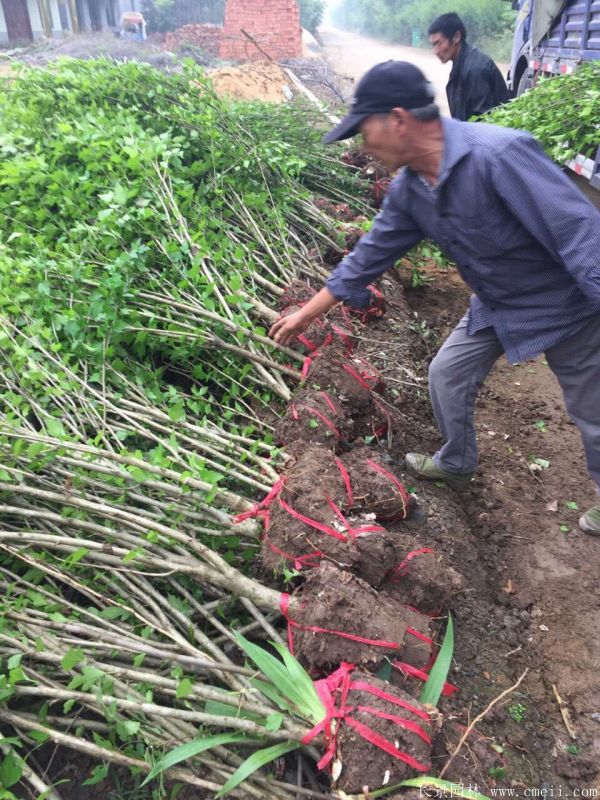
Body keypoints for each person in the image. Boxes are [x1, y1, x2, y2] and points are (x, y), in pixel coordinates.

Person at [269, 60, 600, 535]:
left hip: (563, 303)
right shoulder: (410, 190)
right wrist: (306, 314)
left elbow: (579, 234)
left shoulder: (498, 155)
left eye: (365, 132)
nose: (364, 146)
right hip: (496, 304)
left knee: (592, 412)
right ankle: (456, 463)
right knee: (447, 374)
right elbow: (368, 256)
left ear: (398, 119)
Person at [428, 12, 508, 120]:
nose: (436, 51)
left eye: (438, 44)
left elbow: (482, 120)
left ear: (456, 37)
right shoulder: (460, 64)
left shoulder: (475, 69)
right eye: (433, 45)